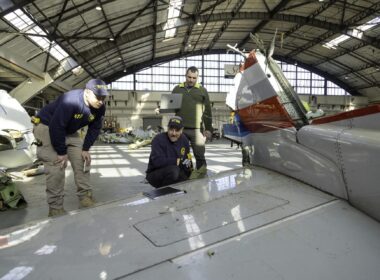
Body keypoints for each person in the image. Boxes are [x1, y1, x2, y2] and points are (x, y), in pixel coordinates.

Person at [33, 79, 108, 217]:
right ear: (87, 92)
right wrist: (61, 152)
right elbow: (56, 126)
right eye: (98, 97)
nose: (101, 101)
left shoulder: (100, 107)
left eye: (103, 97)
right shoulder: (70, 100)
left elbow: (95, 128)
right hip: (48, 126)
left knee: (83, 159)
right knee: (57, 166)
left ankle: (85, 196)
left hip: (69, 129)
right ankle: (56, 208)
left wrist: (85, 148)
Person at [171, 66, 212, 178]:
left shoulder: (202, 91)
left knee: (199, 154)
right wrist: (160, 108)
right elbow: (170, 106)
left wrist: (208, 129)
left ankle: (202, 174)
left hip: (197, 130)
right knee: (180, 154)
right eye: (189, 77)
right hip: (180, 129)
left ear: (197, 78)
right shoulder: (177, 89)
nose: (191, 80)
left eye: (194, 78)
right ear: (185, 76)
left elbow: (208, 112)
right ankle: (183, 174)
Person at [146, 116, 192, 188]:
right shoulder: (158, 139)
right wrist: (177, 161)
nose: (173, 133)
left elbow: (188, 158)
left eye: (177, 130)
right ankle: (163, 193)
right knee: (174, 171)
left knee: (186, 180)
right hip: (155, 174)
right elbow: (157, 161)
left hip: (174, 171)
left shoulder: (184, 140)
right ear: (167, 128)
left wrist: (189, 167)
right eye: (171, 130)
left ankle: (172, 191)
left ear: (181, 130)